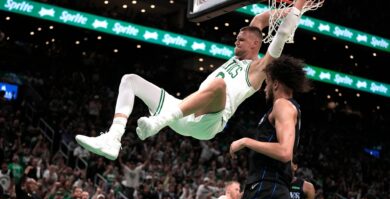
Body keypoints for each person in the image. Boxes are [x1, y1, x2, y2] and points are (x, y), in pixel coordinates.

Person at [75, 0, 304, 161]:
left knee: (219, 85)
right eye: (237, 38)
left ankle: (159, 121)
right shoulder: (239, 54)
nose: (236, 41)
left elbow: (281, 36)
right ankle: (113, 138)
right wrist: (285, 9)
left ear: (255, 44)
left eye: (241, 40)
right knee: (130, 80)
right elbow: (261, 19)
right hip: (184, 112)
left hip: (209, 122)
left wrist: (299, 6)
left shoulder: (259, 69)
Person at [229, 54, 311, 199]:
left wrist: (246, 141)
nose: (265, 87)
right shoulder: (283, 108)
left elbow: (284, 152)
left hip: (269, 191)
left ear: (275, 84)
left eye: (266, 82)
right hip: (262, 189)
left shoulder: (282, 105)